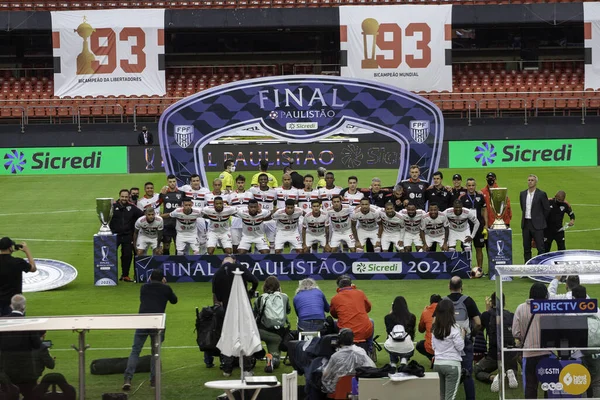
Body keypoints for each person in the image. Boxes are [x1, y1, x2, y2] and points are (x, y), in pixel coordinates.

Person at [123, 269, 177, 391]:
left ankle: (128, 378)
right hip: (157, 322)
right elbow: (174, 300)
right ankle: (153, 380)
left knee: (135, 350)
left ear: (150, 278)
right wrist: (165, 285)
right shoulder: (165, 288)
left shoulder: (144, 288)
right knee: (155, 352)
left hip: (143, 320)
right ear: (162, 278)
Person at [212, 256, 259, 374]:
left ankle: (227, 367)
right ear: (233, 261)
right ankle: (247, 368)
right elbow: (255, 281)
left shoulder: (218, 273)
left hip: (228, 309)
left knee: (228, 334)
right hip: (244, 307)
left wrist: (223, 300)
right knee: (246, 333)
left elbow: (216, 295)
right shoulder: (240, 267)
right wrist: (251, 291)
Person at [512, 282, 552, 398]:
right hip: (547, 354)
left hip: (529, 353)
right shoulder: (550, 307)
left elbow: (515, 332)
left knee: (530, 386)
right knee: (549, 386)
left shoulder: (521, 308)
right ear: (545, 295)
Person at [444, 276, 481, 400]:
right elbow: (478, 322)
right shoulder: (468, 301)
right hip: (464, 339)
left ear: (449, 287)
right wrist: (472, 334)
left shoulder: (443, 302)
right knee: (467, 373)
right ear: (462, 287)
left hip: (447, 341)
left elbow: (434, 323)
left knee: (447, 373)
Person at [0, 295, 43, 399]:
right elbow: (37, 345)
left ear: (11, 305)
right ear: (24, 307)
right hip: (26, 371)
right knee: (31, 395)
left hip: (6, 369)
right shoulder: (30, 324)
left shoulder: (2, 322)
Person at [474, 292, 519, 392]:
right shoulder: (510, 315)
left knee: (477, 370)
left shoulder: (486, 315)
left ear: (491, 302)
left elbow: (479, 330)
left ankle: (493, 377)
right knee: (511, 364)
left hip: (494, 354)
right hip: (510, 352)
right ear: (504, 303)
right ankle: (510, 372)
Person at [253, 276, 291, 372]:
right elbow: (288, 311)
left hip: (260, 332)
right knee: (276, 361)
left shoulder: (260, 298)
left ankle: (255, 352)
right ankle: (271, 359)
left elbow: (254, 314)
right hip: (276, 335)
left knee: (250, 336)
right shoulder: (284, 297)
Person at [321, 328, 376, 394]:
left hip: (339, 390)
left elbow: (326, 376)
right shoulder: (361, 351)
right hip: (359, 388)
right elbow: (371, 368)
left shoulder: (335, 356)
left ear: (339, 340)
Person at [432, 299, 465, 400]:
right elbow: (460, 347)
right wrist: (462, 335)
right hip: (452, 365)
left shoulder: (434, 328)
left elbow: (433, 347)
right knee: (450, 397)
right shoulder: (455, 328)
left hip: (438, 364)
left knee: (442, 396)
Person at [110, 190, 144, 282]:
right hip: (114, 235)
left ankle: (125, 275)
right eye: (122, 196)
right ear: (119, 196)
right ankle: (109, 275)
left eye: (126, 197)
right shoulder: (112, 206)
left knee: (127, 255)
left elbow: (142, 215)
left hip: (127, 235)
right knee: (110, 255)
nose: (124, 198)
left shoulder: (132, 207)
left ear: (128, 197)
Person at [330, 275, 373, 345]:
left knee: (334, 323)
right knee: (371, 322)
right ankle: (370, 347)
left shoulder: (335, 298)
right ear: (351, 284)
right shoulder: (360, 293)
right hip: (364, 331)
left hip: (345, 332)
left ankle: (336, 345)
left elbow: (334, 315)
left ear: (338, 286)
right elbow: (368, 308)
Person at [0, 238, 36, 316]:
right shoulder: (17, 262)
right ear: (10, 248)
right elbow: (33, 268)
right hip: (13, 303)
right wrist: (27, 251)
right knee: (15, 326)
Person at [519, 174, 550, 262]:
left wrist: (540, 219)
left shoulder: (541, 194)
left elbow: (546, 209)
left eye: (532, 180)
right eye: (529, 180)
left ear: (536, 182)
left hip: (538, 225)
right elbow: (523, 207)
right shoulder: (523, 194)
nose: (530, 182)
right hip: (526, 224)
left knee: (540, 248)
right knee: (526, 248)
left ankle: (539, 268)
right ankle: (527, 269)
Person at [460, 178, 488, 270]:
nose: (471, 187)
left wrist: (486, 224)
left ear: (475, 186)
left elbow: (484, 210)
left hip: (479, 226)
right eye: (469, 185)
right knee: (467, 249)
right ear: (466, 186)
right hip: (466, 227)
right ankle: (467, 269)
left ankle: (479, 269)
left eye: (473, 185)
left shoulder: (480, 196)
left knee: (479, 248)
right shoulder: (462, 198)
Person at [384, 296, 416, 368]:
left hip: (392, 346)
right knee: (405, 341)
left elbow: (389, 332)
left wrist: (390, 314)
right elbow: (411, 333)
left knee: (391, 339)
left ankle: (393, 361)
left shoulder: (388, 318)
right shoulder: (411, 317)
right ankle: (404, 358)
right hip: (407, 345)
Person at [249, 174, 278, 252]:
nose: (263, 181)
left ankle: (272, 258)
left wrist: (273, 211)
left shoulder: (273, 192)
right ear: (258, 181)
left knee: (272, 241)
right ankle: (256, 258)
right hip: (258, 220)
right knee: (257, 241)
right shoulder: (253, 190)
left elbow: (275, 202)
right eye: (261, 179)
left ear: (268, 181)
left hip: (270, 220)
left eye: (265, 179)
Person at [159, 175, 185, 255]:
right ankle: (166, 265)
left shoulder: (182, 193)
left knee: (179, 247)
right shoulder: (163, 194)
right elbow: (157, 204)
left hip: (178, 224)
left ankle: (177, 265)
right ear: (167, 182)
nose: (172, 183)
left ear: (176, 182)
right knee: (166, 246)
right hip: (167, 224)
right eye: (170, 182)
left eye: (174, 181)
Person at [229, 175, 251, 253]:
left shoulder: (250, 194)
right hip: (235, 223)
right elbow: (227, 207)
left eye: (242, 182)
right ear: (236, 184)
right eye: (239, 183)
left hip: (247, 223)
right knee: (235, 244)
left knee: (247, 244)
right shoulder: (231, 195)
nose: (240, 184)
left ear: (244, 183)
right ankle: (235, 261)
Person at [417, 294, 441, 362]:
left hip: (430, 347)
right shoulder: (447, 312)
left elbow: (421, 330)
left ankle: (432, 358)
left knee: (419, 345)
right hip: (444, 347)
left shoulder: (425, 312)